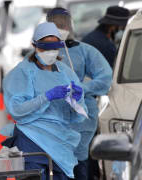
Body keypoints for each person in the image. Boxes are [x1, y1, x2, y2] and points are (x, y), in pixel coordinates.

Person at [2, 22, 88, 180]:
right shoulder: (23, 72)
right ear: (34, 46)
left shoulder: (65, 73)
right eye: (44, 47)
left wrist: (76, 101)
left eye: (54, 47)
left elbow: (77, 116)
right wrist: (46, 97)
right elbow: (17, 110)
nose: (50, 52)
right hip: (32, 140)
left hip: (60, 143)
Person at [46, 7, 113, 180]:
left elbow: (105, 78)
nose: (60, 30)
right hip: (53, 120)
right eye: (55, 26)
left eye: (62, 26)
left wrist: (83, 88)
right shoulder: (41, 54)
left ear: (69, 27)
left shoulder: (84, 51)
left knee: (79, 164)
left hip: (81, 119)